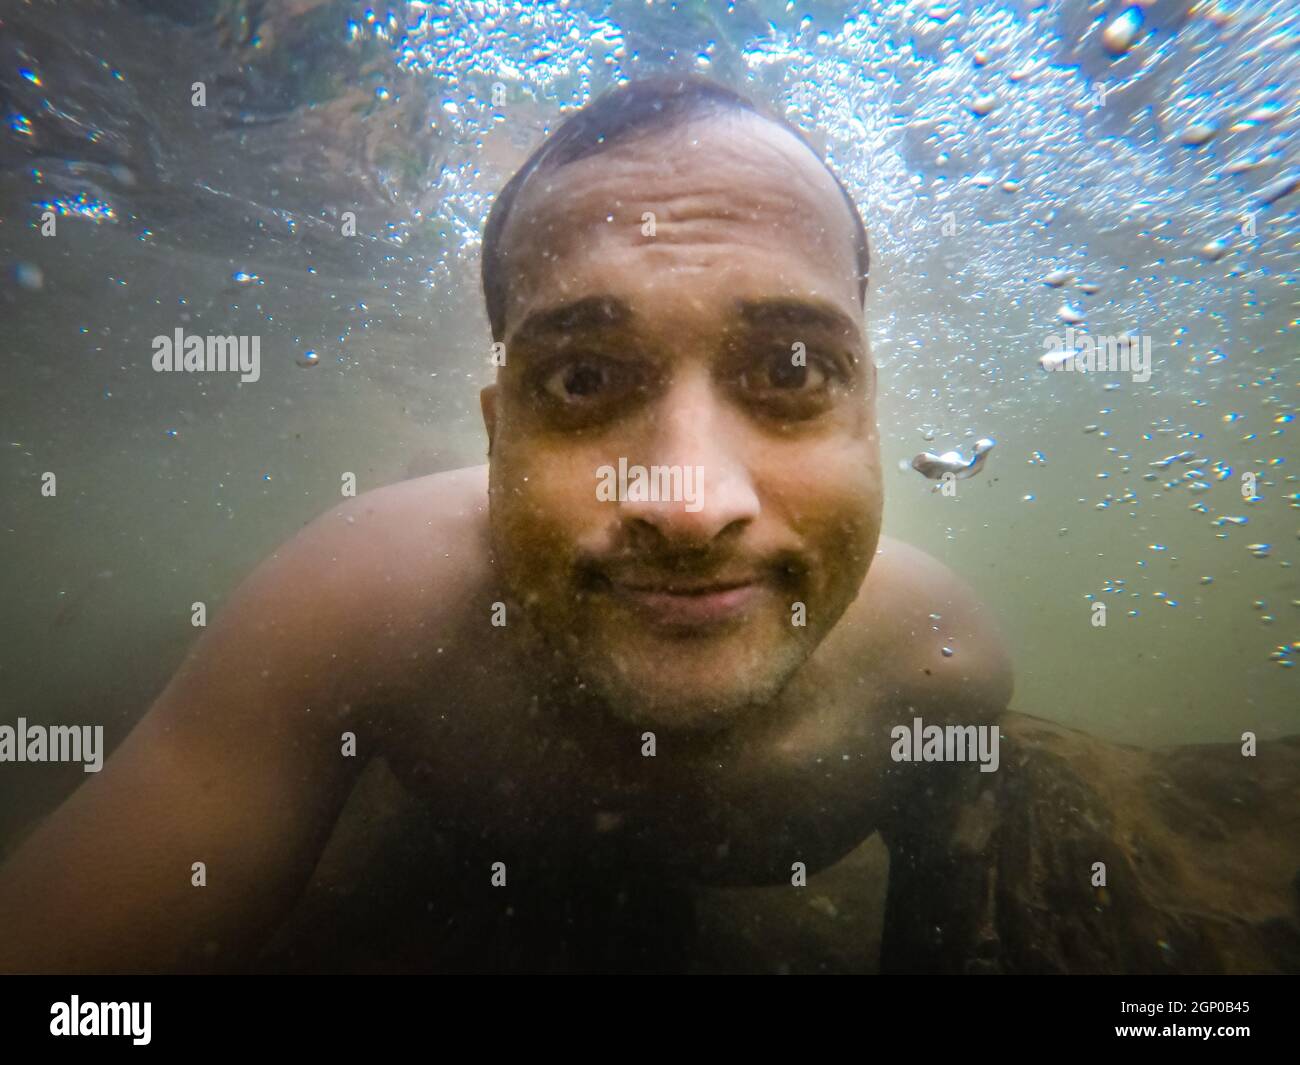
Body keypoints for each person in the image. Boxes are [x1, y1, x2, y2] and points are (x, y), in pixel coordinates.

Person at [0, 71, 1057, 974]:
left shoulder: (942, 667)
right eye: (583, 377)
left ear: (872, 424)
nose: (689, 508)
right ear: (498, 436)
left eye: (790, 370)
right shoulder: (357, 602)